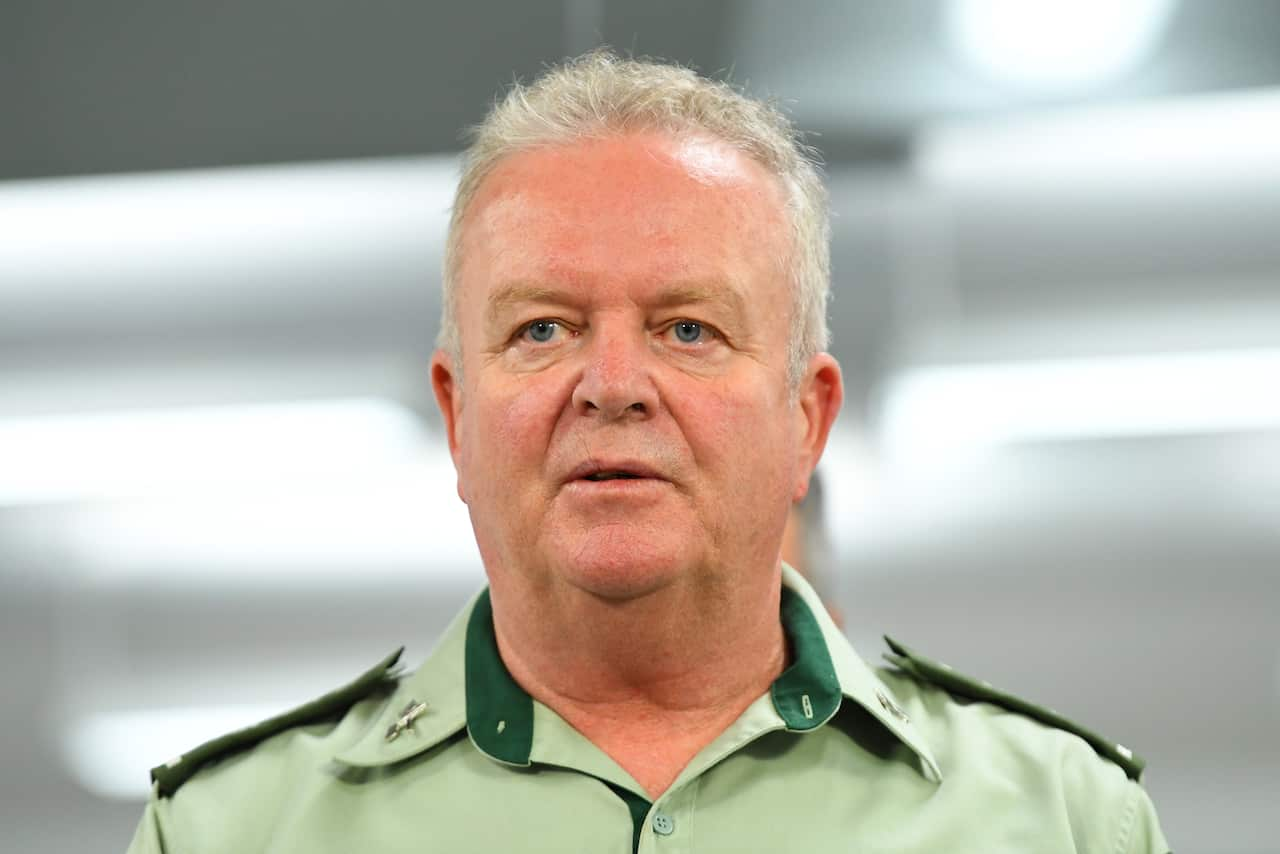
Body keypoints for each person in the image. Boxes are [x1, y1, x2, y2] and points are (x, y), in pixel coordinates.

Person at [127, 51, 1169, 853]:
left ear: (805, 420)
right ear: (455, 416)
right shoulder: (229, 831)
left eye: (686, 329)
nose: (612, 383)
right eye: (541, 328)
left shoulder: (1064, 818)